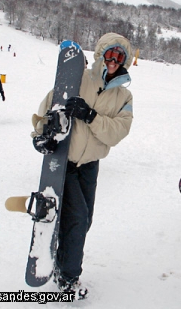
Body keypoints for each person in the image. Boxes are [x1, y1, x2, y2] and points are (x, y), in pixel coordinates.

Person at [30, 33, 134, 299]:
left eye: (119, 56)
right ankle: (67, 278)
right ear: (100, 54)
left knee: (83, 220)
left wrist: (90, 115)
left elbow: (117, 132)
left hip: (90, 165)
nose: (113, 60)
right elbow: (48, 109)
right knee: (77, 218)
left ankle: (62, 258)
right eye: (109, 54)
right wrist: (40, 137)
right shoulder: (78, 78)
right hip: (65, 162)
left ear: (125, 61)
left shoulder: (123, 95)